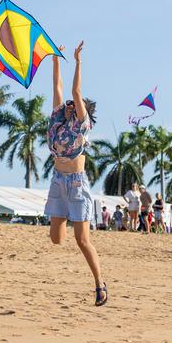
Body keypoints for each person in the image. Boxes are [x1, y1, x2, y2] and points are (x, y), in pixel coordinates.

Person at [45, 42, 107, 306]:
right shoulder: (58, 118)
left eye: (75, 103)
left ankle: (99, 284)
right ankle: (65, 222)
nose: (70, 103)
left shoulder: (82, 125)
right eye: (70, 104)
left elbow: (74, 89)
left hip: (77, 184)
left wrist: (77, 61)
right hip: (58, 181)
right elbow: (58, 88)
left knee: (82, 241)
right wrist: (55, 60)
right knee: (57, 239)